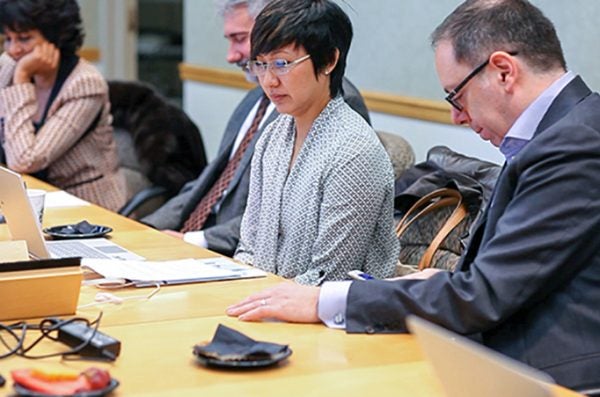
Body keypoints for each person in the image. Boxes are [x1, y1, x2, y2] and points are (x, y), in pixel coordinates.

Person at [227, 0, 600, 390]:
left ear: (503, 71)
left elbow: (486, 296)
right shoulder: (561, 132)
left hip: (552, 375)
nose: (456, 116)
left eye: (456, 95)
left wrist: (323, 300)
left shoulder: (575, 146)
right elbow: (509, 278)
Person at [141, 0, 372, 257]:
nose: (232, 56)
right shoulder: (255, 101)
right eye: (261, 63)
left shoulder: (340, 111)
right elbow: (210, 182)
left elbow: (294, 227)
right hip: (228, 255)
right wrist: (146, 229)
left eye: (240, 39)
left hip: (231, 255)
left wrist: (198, 241)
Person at [231, 0, 398, 285]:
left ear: (329, 61)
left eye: (282, 64)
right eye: (261, 64)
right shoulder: (272, 137)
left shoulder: (353, 151)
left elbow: (328, 278)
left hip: (329, 318)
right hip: (266, 301)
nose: (269, 80)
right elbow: (248, 248)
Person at [0, 0, 126, 212]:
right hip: (22, 203)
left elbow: (25, 161)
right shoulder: (8, 64)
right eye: (8, 39)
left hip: (84, 212)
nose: (13, 50)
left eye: (24, 38)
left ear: (55, 37)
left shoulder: (85, 84)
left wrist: (21, 79)